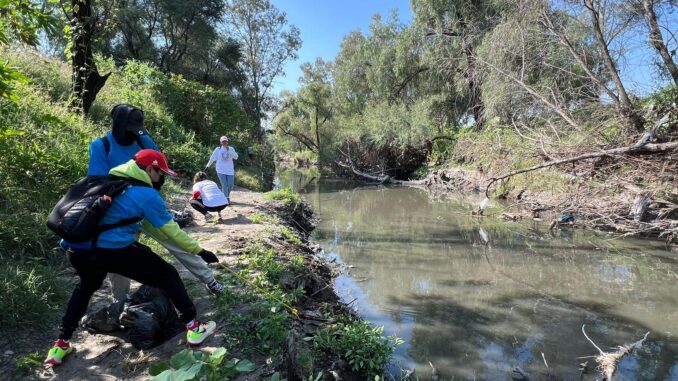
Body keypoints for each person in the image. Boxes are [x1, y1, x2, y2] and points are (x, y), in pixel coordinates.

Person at [45, 150, 217, 366]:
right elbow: (172, 231)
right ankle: (194, 328)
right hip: (112, 252)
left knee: (85, 288)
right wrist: (200, 251)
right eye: (159, 173)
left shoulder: (106, 182)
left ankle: (60, 345)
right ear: (149, 169)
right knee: (168, 275)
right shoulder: (147, 195)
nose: (160, 178)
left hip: (76, 251)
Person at [87, 104, 223, 325]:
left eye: (139, 128)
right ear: (119, 126)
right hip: (119, 216)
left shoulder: (144, 140)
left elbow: (161, 168)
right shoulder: (101, 147)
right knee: (119, 258)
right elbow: (96, 183)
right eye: (131, 128)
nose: (136, 133)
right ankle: (118, 303)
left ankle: (209, 280)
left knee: (174, 238)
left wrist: (150, 198)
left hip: (147, 206)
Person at [206, 136, 238, 202]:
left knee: (230, 185)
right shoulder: (218, 149)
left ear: (227, 142)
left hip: (230, 170)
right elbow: (212, 158)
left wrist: (228, 150)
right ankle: (226, 198)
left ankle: (226, 196)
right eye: (223, 141)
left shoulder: (231, 148)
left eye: (225, 141)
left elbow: (236, 157)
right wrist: (208, 165)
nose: (224, 142)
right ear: (221, 142)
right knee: (224, 185)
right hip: (220, 170)